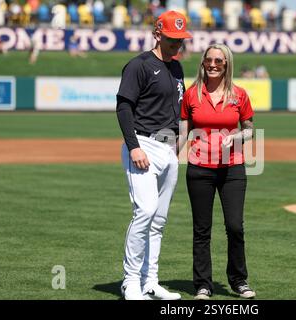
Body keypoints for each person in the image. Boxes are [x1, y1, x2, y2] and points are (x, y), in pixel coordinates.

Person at [116, 10, 192, 300]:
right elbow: (124, 107)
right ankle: (131, 282)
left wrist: (178, 147)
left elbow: (177, 111)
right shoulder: (139, 66)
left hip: (168, 149)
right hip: (143, 145)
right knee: (145, 211)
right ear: (157, 34)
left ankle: (151, 281)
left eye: (181, 40)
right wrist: (133, 146)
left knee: (159, 219)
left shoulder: (177, 68)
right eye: (172, 39)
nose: (177, 45)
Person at [179, 44, 256, 300]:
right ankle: (203, 285)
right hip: (199, 168)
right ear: (202, 62)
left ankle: (238, 280)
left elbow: (249, 129)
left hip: (233, 168)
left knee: (235, 226)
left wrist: (238, 136)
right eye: (209, 60)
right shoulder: (192, 95)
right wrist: (167, 155)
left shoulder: (239, 95)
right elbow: (182, 132)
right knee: (202, 229)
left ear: (227, 65)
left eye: (219, 61)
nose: (213, 64)